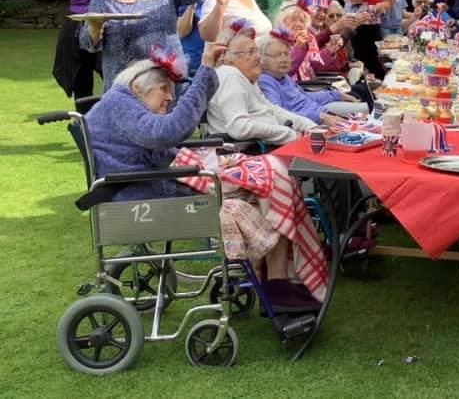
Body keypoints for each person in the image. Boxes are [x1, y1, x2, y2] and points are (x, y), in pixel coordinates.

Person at [86, 42, 328, 309]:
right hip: (144, 193)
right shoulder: (122, 104)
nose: (170, 98)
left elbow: (162, 142)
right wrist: (205, 69)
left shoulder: (121, 102)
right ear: (137, 89)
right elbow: (167, 131)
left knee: (269, 179)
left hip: (145, 184)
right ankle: (279, 283)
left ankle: (279, 281)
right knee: (269, 183)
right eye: (164, 90)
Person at [205, 22, 316, 145]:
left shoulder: (245, 78)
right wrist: (292, 135)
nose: (259, 57)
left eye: (257, 51)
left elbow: (272, 110)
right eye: (251, 52)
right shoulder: (231, 75)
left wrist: (310, 127)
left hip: (270, 146)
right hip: (251, 153)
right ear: (227, 58)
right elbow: (239, 128)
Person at [257, 31, 365, 121]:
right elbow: (280, 115)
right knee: (366, 110)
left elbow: (306, 96)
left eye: (286, 54)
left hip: (320, 111)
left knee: (365, 108)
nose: (284, 59)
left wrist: (337, 95)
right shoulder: (265, 82)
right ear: (263, 61)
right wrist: (320, 117)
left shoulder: (284, 77)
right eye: (277, 55)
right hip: (311, 122)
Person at [177, 0, 221, 76]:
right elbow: (181, 32)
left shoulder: (226, 1)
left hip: (217, 65)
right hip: (193, 66)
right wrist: (193, 3)